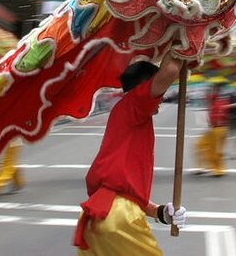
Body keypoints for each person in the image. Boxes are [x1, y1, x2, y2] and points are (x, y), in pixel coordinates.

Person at [74, 52, 187, 255]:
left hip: (96, 220)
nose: (161, 99)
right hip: (118, 219)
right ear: (145, 87)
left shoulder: (126, 112)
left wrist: (162, 213)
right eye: (159, 91)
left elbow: (127, 194)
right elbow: (170, 70)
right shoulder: (136, 103)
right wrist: (184, 39)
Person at [195, 82, 231, 176]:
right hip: (213, 128)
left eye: (214, 89)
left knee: (215, 151)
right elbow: (207, 97)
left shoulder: (223, 100)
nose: (212, 90)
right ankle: (204, 167)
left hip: (220, 128)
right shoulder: (213, 99)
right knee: (199, 145)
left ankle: (218, 169)